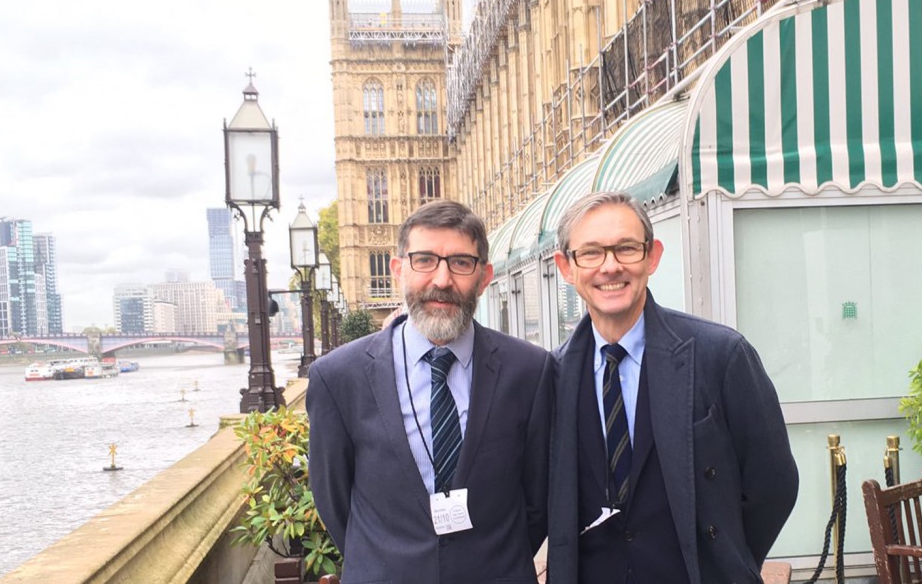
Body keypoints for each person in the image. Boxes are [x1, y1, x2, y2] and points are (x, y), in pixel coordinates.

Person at [547, 191, 798, 584]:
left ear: (653, 256)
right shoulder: (552, 377)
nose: (610, 267)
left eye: (626, 249)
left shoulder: (720, 355)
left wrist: (723, 557)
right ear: (566, 266)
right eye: (592, 253)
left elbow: (775, 483)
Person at [308, 200, 553, 584]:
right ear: (398, 269)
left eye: (460, 262)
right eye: (424, 260)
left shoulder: (530, 371)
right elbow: (334, 500)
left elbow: (538, 500)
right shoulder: (339, 377)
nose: (441, 279)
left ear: (484, 276)